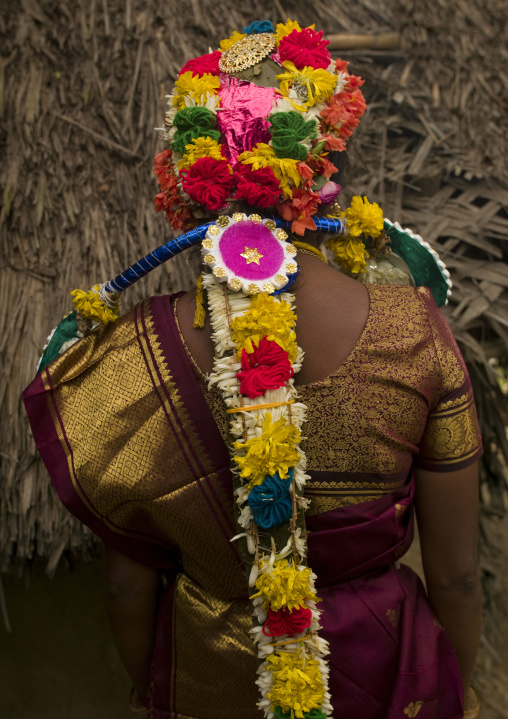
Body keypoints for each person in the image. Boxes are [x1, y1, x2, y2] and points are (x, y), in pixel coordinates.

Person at [24, 19, 483, 719]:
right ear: (321, 165)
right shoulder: (415, 331)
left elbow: (126, 589)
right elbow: (454, 575)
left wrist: (147, 691)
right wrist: (465, 687)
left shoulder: (129, 357)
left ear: (187, 177)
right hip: (387, 670)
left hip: (212, 680)